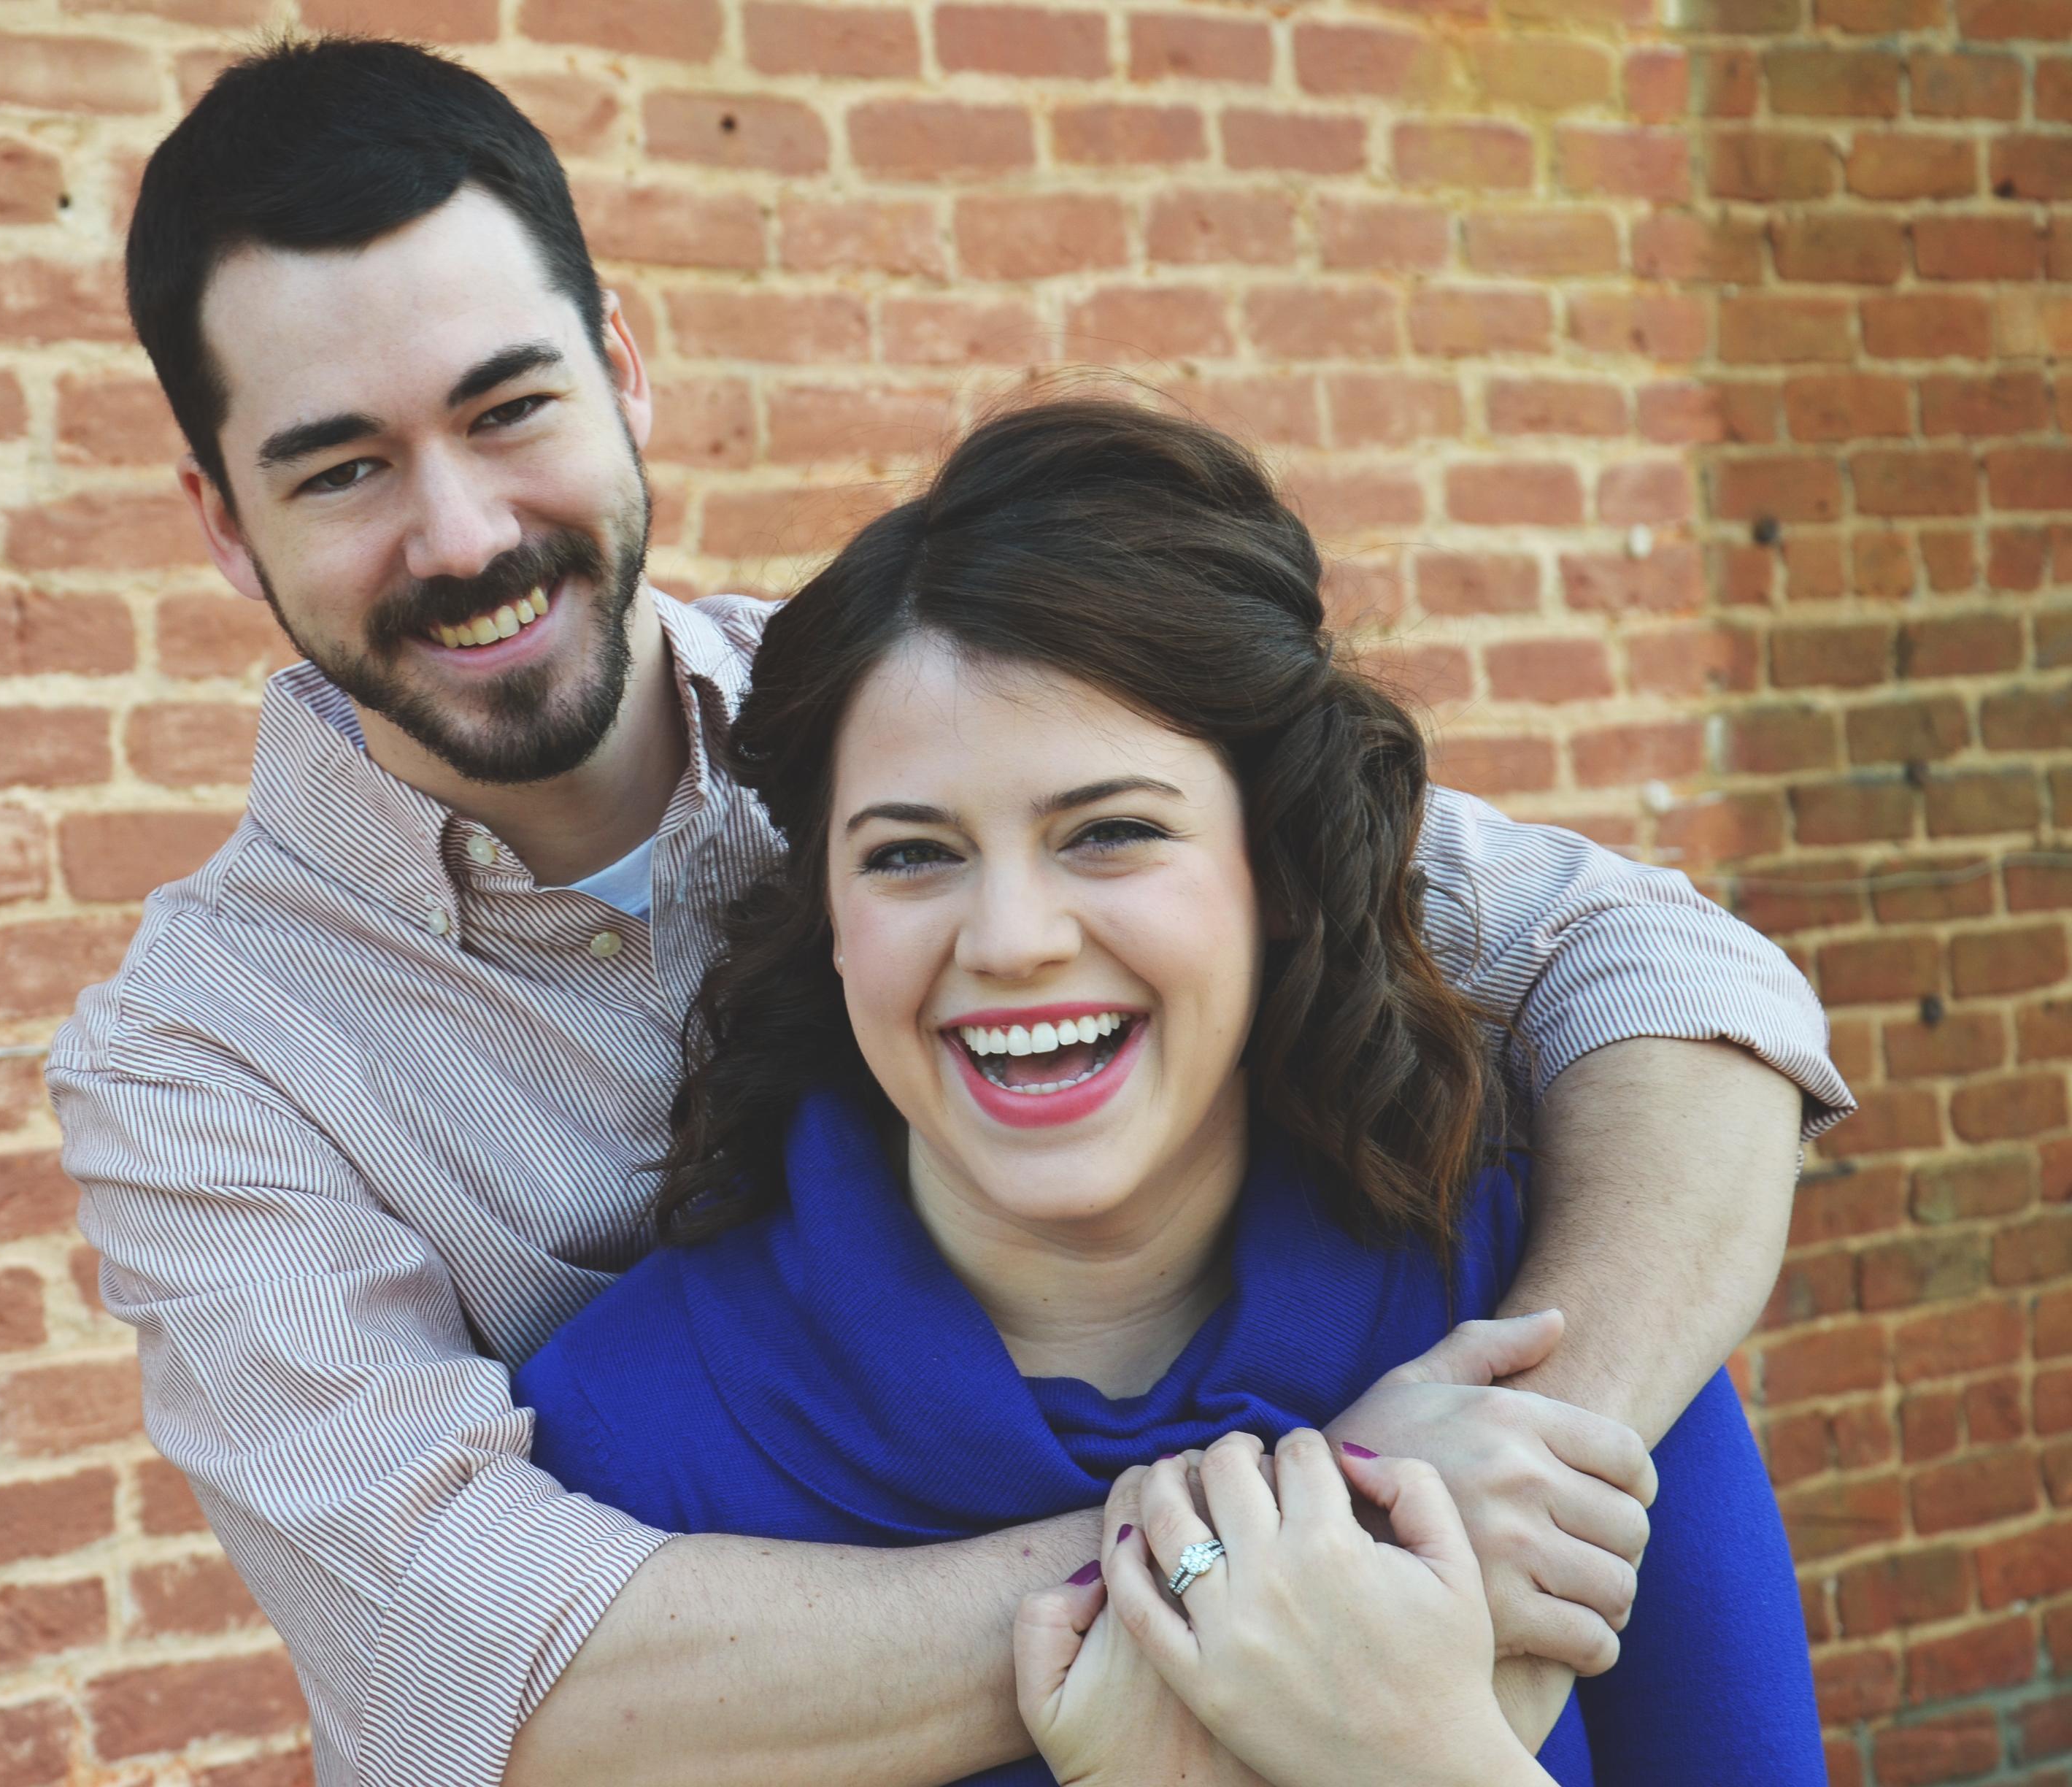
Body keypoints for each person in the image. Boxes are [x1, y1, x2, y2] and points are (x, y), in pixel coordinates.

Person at [49, 36, 1851, 1787]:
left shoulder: (927, 701)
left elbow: (1649, 969)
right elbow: (471, 1659)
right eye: (342, 468)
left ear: (622, 373)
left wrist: (1528, 1463)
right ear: (223, 520)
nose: (460, 535)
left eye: (509, 408)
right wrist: (1293, 1544)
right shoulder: (202, 1066)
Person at [509, 399, 1825, 1786]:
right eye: (910, 854)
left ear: (1276, 874)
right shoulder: (629, 1438)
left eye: (1111, 832)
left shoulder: (1542, 1311)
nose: (1012, 938)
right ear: (830, 918)